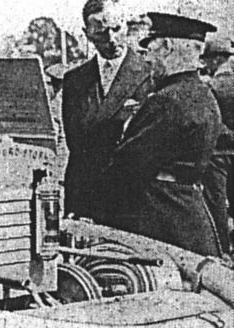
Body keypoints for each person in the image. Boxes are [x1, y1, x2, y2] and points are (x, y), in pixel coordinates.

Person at [103, 12, 224, 256]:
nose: (147, 59)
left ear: (167, 47)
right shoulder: (204, 95)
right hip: (190, 220)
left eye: (151, 49)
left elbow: (126, 166)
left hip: (160, 224)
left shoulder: (166, 100)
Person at [62, 0, 153, 223]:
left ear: (125, 25)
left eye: (116, 29)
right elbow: (75, 145)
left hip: (130, 200)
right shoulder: (74, 81)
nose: (111, 40)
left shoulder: (150, 74)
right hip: (85, 198)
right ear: (87, 34)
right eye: (101, 33)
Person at [201, 35, 234, 252]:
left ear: (216, 59)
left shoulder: (213, 86)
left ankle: (222, 248)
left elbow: (211, 120)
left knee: (217, 203)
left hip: (219, 154)